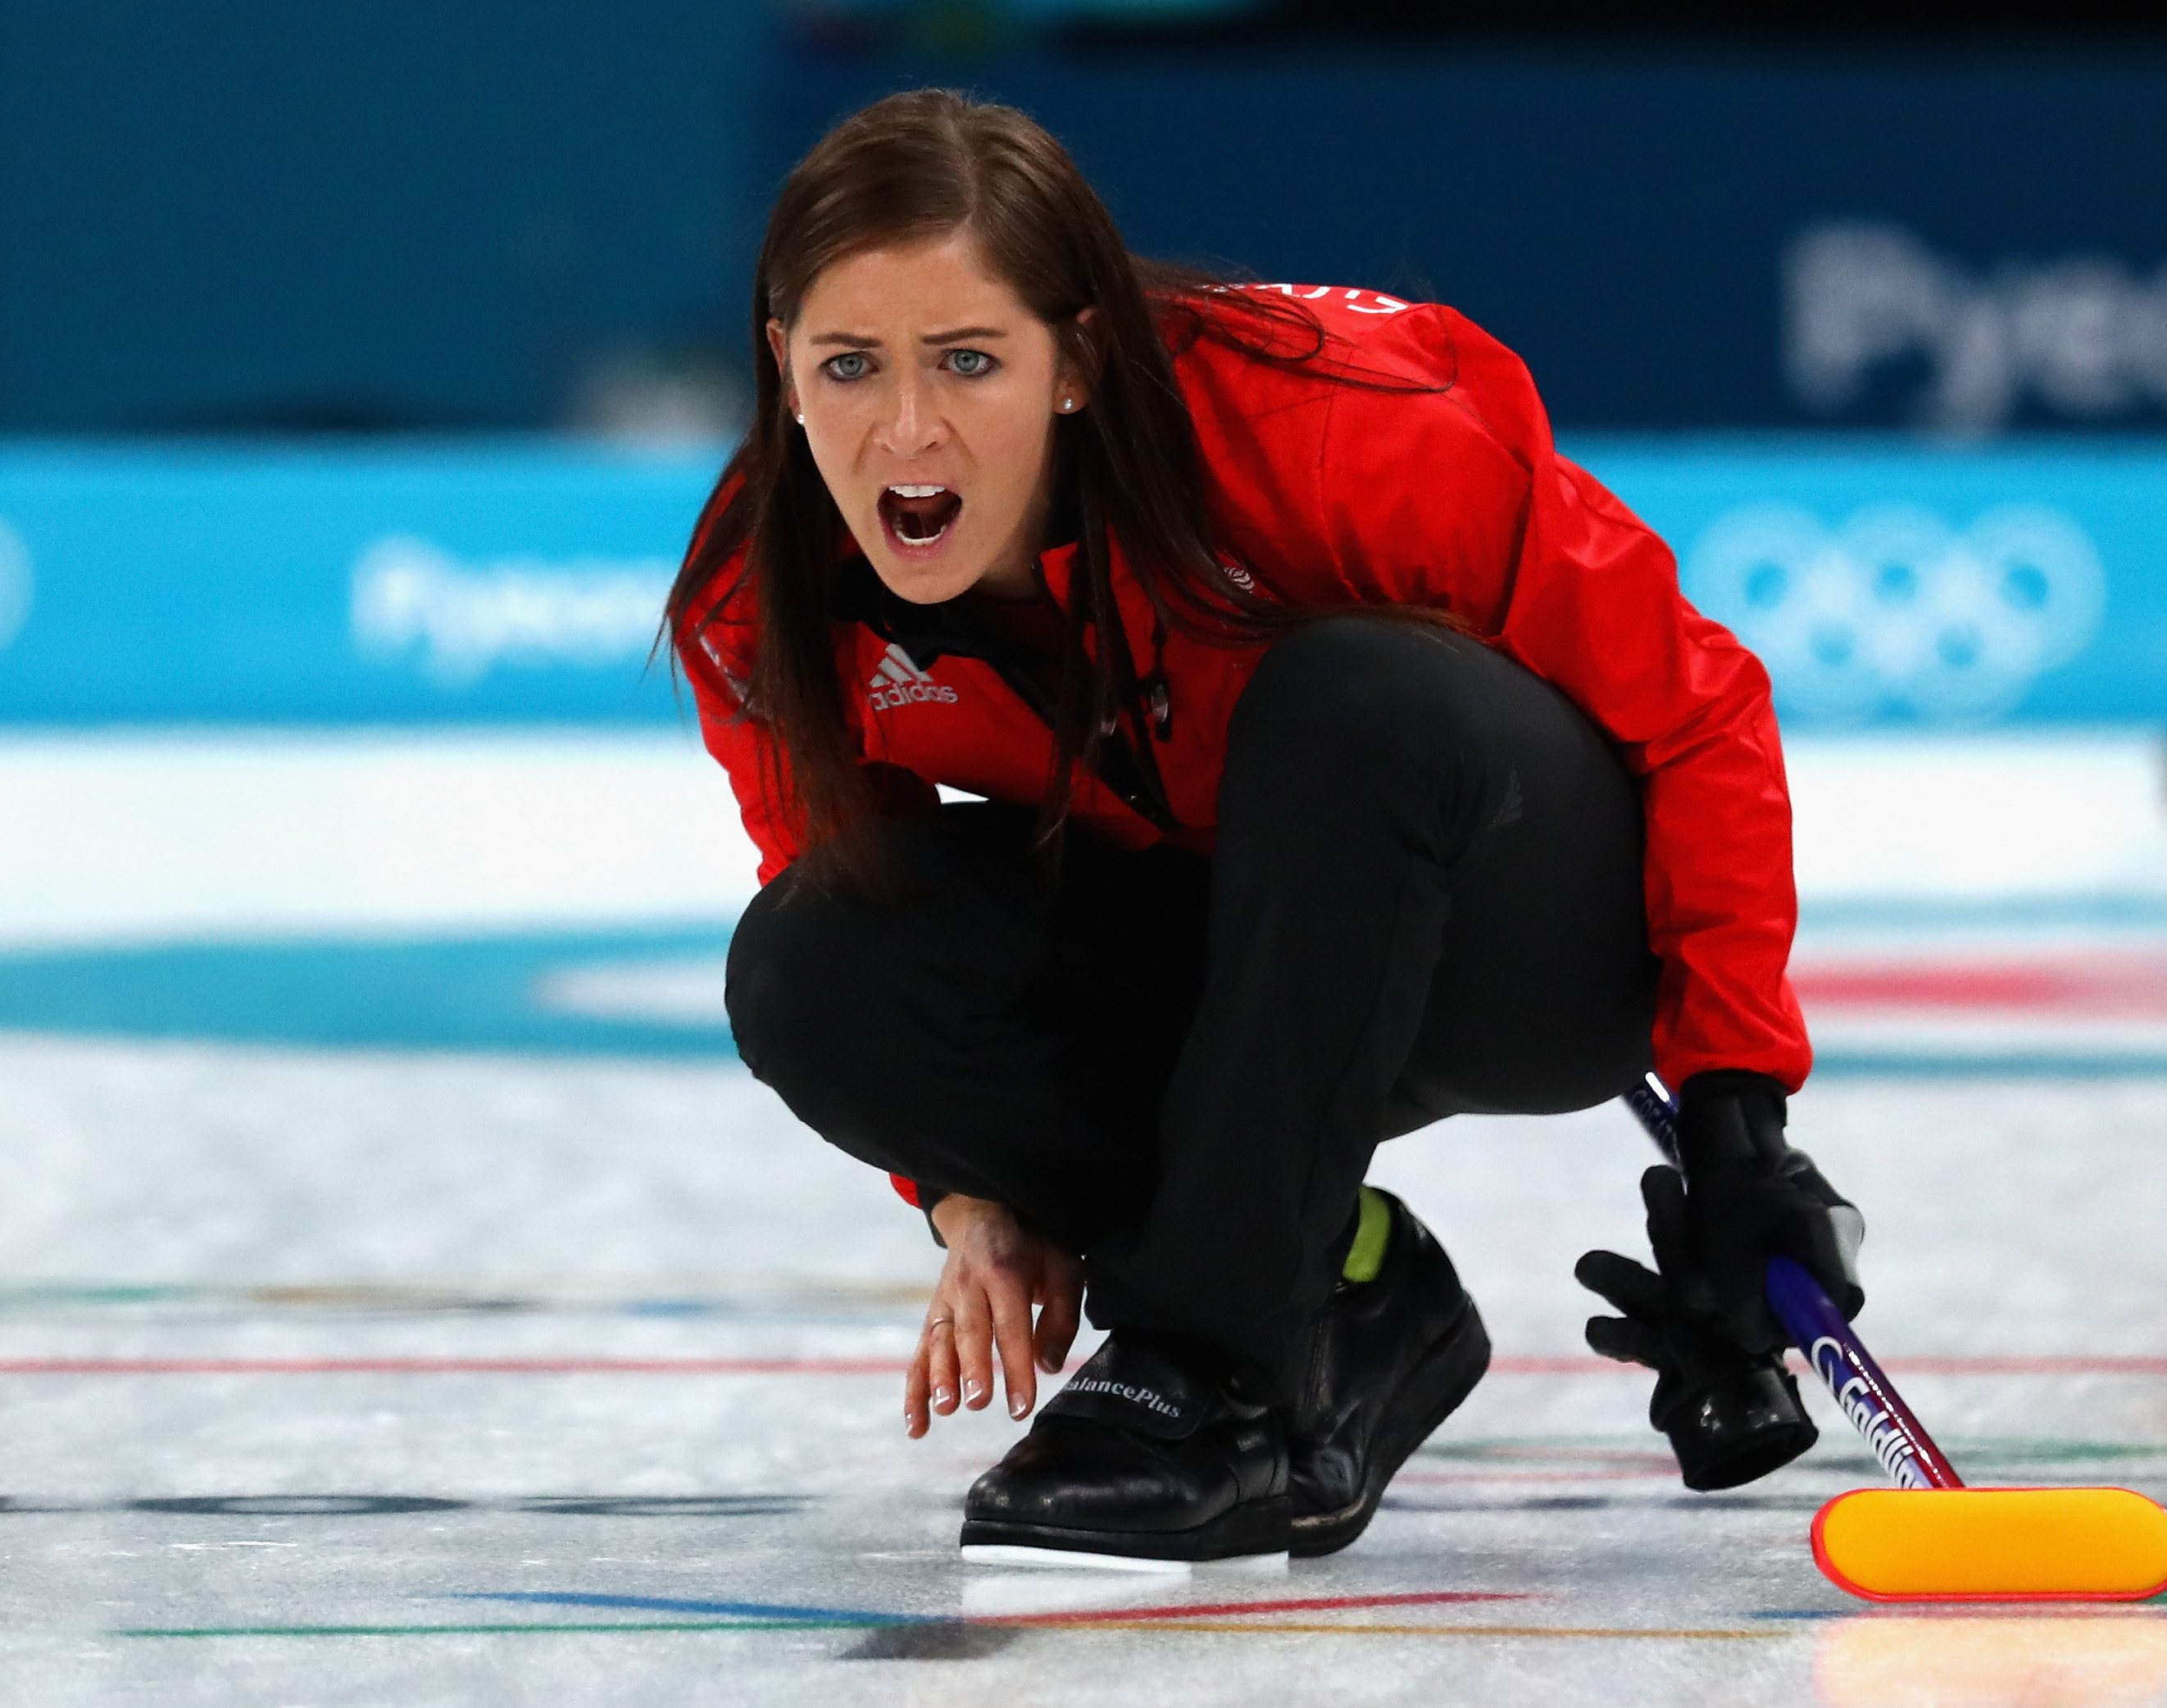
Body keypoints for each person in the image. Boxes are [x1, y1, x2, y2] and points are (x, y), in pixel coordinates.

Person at [666, 89, 1865, 1567]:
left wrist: (1740, 1123)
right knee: (817, 964)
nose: (906, 434)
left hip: (1517, 949)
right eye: (850, 367)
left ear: (1076, 362)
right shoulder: (757, 594)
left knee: (1353, 693)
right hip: (1238, 969)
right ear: (782, 368)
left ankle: (1210, 1373)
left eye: (968, 362)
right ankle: (1357, 1299)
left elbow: (1696, 713)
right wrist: (975, 1201)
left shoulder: (1325, 434)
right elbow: (877, 920)